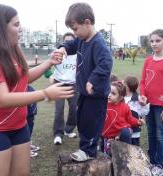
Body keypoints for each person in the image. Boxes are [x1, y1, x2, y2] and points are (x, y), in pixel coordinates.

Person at [0, 4, 74, 175]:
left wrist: (49, 62)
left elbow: (24, 78)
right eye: (16, 24)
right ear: (0, 28)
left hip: (20, 127)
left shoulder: (13, 51)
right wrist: (45, 93)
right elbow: (2, 99)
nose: (21, 29)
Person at [53, 2, 113, 161]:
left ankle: (89, 151)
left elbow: (106, 64)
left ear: (87, 23)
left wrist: (92, 80)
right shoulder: (80, 39)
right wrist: (62, 48)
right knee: (81, 119)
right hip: (84, 92)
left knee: (92, 123)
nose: (75, 33)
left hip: (96, 93)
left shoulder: (98, 43)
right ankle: (84, 148)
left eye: (75, 29)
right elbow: (71, 44)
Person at [139, 29, 163, 176]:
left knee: (161, 135)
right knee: (151, 134)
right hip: (148, 105)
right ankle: (153, 161)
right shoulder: (148, 60)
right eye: (152, 41)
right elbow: (143, 82)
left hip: (161, 106)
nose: (154, 44)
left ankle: (160, 165)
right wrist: (142, 95)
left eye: (157, 41)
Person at [101, 81, 144, 156]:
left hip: (121, 132)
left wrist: (138, 122)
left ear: (120, 97)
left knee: (125, 133)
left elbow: (130, 119)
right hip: (108, 135)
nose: (109, 95)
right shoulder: (103, 104)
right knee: (108, 155)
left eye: (113, 93)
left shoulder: (124, 107)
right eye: (109, 92)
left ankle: (127, 154)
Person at [52, 32, 79, 145]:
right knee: (59, 110)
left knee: (74, 109)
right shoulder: (57, 53)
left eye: (70, 41)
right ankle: (58, 134)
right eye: (66, 41)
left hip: (74, 84)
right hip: (59, 84)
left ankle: (68, 129)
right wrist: (50, 76)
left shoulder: (78, 55)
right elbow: (48, 67)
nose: (68, 43)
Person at [124, 75, 149, 146]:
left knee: (134, 150)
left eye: (124, 84)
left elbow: (145, 112)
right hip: (123, 131)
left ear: (128, 87)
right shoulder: (121, 97)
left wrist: (144, 104)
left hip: (134, 132)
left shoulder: (138, 99)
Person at [26, 85, 40, 157]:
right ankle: (25, 149)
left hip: (27, 88)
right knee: (25, 127)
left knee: (30, 123)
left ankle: (28, 145)